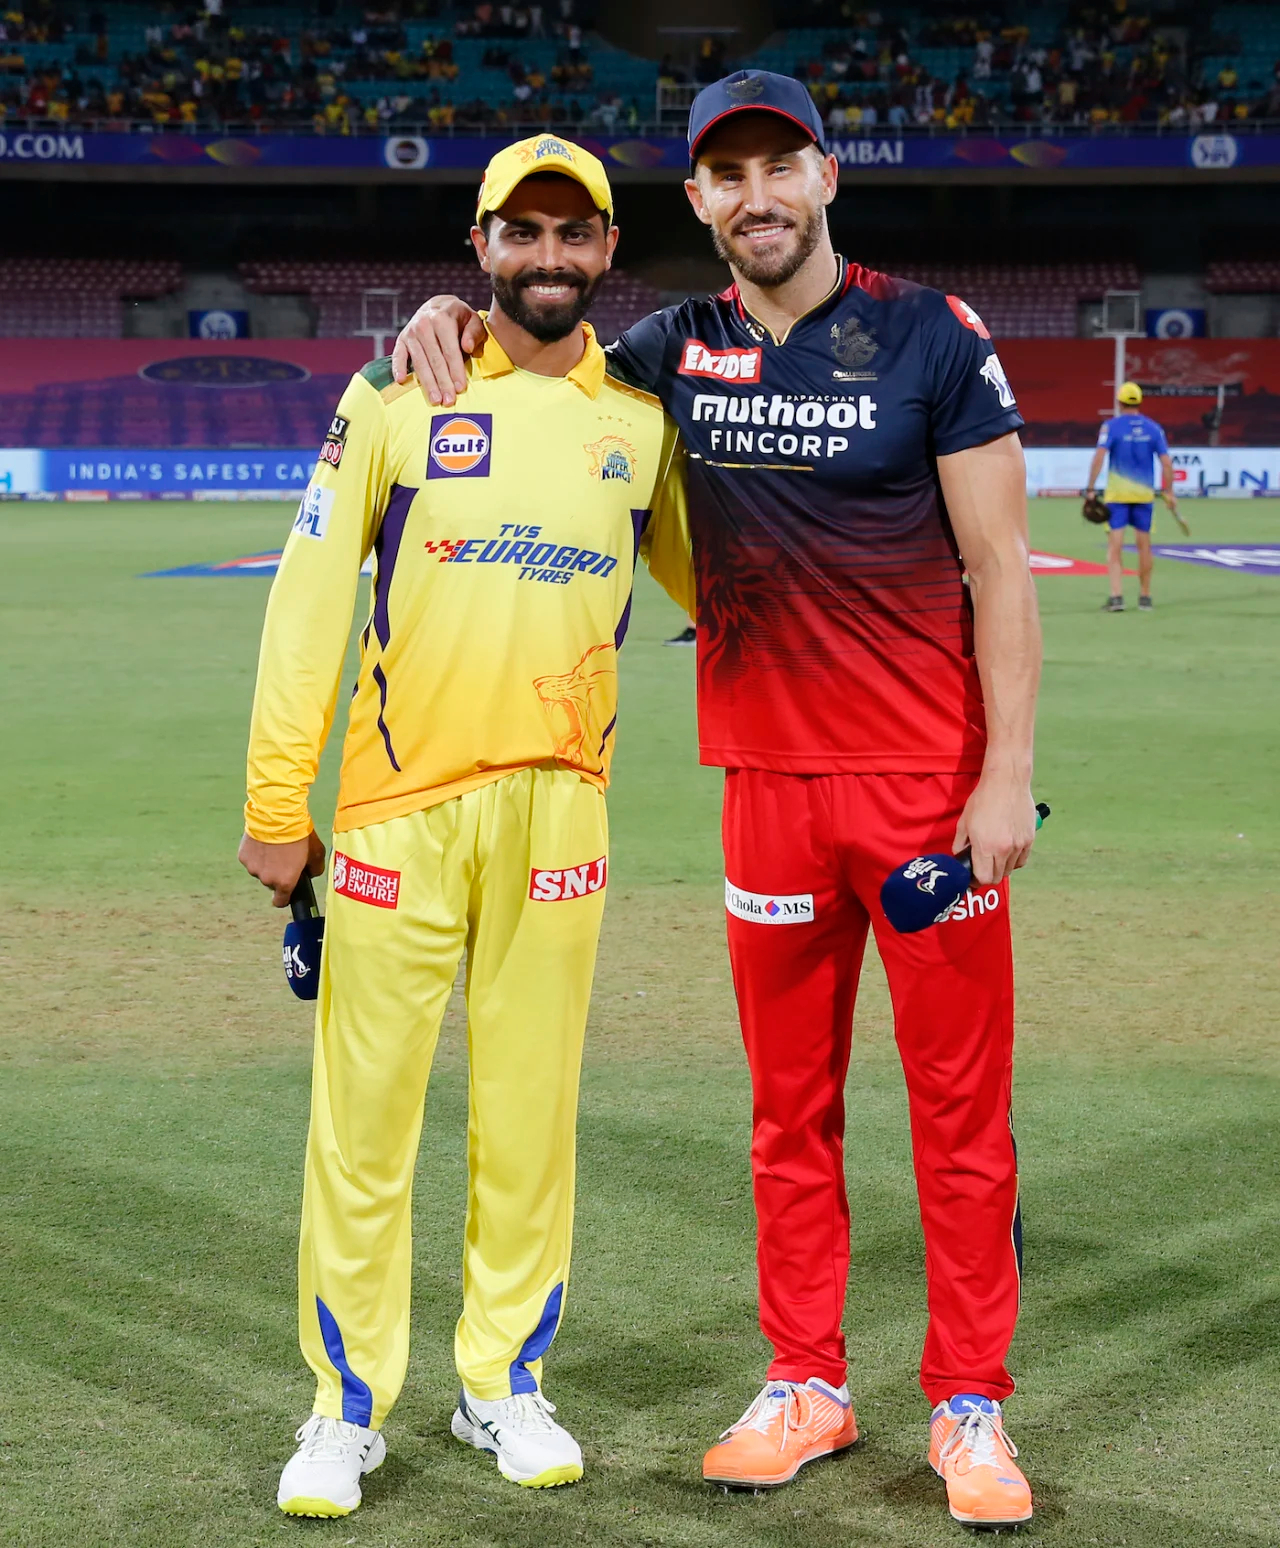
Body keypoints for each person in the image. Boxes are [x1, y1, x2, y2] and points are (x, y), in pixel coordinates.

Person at [393, 69, 1042, 1530]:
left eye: (780, 167)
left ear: (826, 177)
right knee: (787, 1111)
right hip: (765, 791)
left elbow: (1002, 566)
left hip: (931, 796)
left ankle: (969, 1403)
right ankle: (805, 1379)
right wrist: (438, 317)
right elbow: (528, 353)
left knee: (960, 1114)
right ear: (696, 201)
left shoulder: (933, 336)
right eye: (726, 176)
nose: (756, 196)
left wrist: (1005, 774)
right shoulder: (665, 352)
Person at [238, 134, 689, 1519]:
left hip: (565, 813)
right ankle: (343, 1408)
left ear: (609, 251)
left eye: (576, 234)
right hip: (395, 813)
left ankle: (502, 1382)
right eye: (522, 233)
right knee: (363, 1125)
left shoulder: (641, 421)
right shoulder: (393, 390)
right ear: (480, 245)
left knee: (530, 1116)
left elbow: (739, 595)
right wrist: (276, 805)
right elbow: (311, 598)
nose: (548, 257)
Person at [1086, 380, 1179, 611]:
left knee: (1115, 547)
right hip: (1144, 497)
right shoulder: (1153, 428)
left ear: (1119, 402)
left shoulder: (1111, 426)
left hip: (1117, 497)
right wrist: (1169, 491)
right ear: (1139, 402)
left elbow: (1099, 457)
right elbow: (1167, 464)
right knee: (1144, 547)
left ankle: (1117, 597)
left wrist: (1089, 488)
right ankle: (1145, 597)